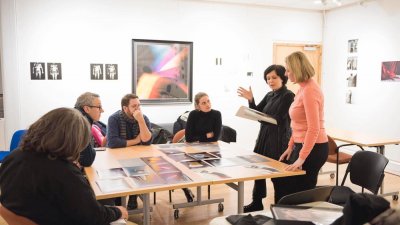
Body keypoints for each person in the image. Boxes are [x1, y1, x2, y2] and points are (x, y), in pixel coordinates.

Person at [0, 108, 128, 225]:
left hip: (26, 216)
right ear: (74, 140)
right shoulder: (64, 172)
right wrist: (118, 211)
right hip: (53, 218)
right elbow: (92, 216)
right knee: (112, 208)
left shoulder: (14, 156)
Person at [237, 64, 294, 212]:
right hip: (263, 137)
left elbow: (279, 119)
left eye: (274, 77)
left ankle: (279, 207)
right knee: (259, 171)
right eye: (268, 78)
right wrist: (251, 100)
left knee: (277, 176)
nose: (270, 81)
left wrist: (260, 117)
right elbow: (258, 111)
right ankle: (257, 202)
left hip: (278, 140)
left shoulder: (288, 96)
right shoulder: (270, 95)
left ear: (283, 77)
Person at [275, 51, 328, 203]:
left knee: (300, 193)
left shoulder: (310, 90)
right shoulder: (302, 88)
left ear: (297, 69)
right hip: (302, 145)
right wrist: (291, 146)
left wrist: (301, 158)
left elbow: (313, 128)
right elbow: (297, 123)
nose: (286, 73)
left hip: (314, 148)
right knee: (285, 185)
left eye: (288, 70)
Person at [107, 93, 152, 210]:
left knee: (139, 167)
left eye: (139, 106)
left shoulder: (143, 118)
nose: (138, 109)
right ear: (125, 108)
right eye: (134, 106)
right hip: (117, 157)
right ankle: (118, 202)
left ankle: (133, 196)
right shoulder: (114, 119)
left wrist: (141, 121)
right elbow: (112, 142)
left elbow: (147, 141)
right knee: (120, 177)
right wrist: (136, 140)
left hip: (137, 158)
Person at [184, 92, 222, 202]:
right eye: (203, 103)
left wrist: (199, 138)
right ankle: (187, 189)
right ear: (198, 106)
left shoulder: (217, 114)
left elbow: (215, 137)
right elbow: (189, 138)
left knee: (209, 167)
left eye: (208, 101)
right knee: (188, 167)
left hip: (211, 150)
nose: (207, 105)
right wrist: (206, 135)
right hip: (193, 150)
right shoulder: (193, 115)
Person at [74, 92, 104, 167]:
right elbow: (87, 160)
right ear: (87, 109)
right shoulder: (82, 122)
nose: (102, 110)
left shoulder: (75, 116)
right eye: (99, 107)